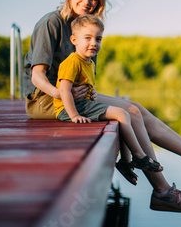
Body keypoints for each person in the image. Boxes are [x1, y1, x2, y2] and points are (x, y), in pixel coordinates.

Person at [23, 0, 181, 213]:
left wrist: (88, 94)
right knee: (131, 112)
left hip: (72, 97)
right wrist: (61, 94)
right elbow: (37, 76)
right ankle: (165, 189)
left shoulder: (89, 30)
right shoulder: (52, 23)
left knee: (135, 108)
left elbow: (82, 77)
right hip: (46, 101)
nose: (88, 1)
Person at [54, 14, 164, 175]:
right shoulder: (72, 62)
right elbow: (64, 90)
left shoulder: (88, 62)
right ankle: (139, 156)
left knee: (122, 114)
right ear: (74, 40)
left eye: (98, 39)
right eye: (87, 38)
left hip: (83, 104)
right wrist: (74, 115)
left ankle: (126, 161)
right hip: (70, 109)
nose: (94, 43)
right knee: (121, 113)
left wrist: (92, 95)